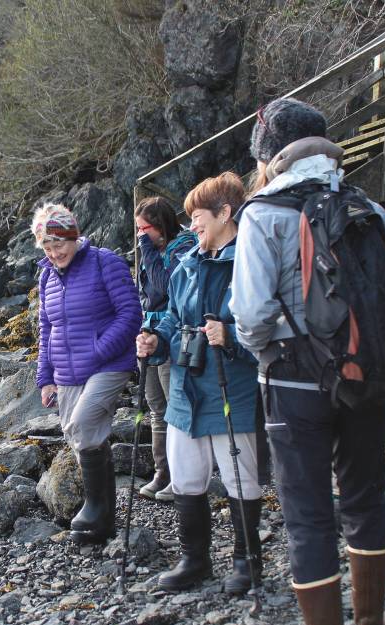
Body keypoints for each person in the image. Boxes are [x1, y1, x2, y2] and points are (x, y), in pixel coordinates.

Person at [231, 98, 385, 625]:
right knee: (364, 498)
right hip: (363, 377)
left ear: (270, 158)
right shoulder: (366, 206)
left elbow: (250, 313)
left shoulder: (262, 213)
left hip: (291, 382)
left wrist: (278, 348)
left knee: (309, 518)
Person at [135, 173, 262, 595]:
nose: (192, 227)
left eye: (198, 218)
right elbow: (173, 316)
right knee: (187, 475)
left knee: (238, 476)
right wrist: (156, 339)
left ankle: (248, 562)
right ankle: (194, 560)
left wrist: (232, 338)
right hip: (186, 389)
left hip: (232, 385)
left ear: (225, 214)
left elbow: (269, 326)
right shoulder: (187, 266)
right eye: (189, 220)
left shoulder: (250, 261)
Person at [34, 203, 142, 544]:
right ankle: (103, 521)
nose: (54, 253)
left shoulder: (104, 261)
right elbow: (46, 327)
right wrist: (45, 376)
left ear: (74, 237)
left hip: (109, 365)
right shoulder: (47, 275)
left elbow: (130, 313)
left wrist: (98, 350)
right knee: (79, 435)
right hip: (66, 372)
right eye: (47, 248)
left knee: (82, 425)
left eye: (59, 245)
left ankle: (94, 506)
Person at [134, 196, 197, 502]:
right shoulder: (154, 248)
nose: (140, 235)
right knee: (157, 407)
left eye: (144, 228)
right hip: (150, 333)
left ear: (160, 225)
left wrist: (146, 248)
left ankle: (183, 474)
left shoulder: (183, 246)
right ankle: (164, 472)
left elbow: (163, 286)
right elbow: (145, 296)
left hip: (173, 336)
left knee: (176, 406)